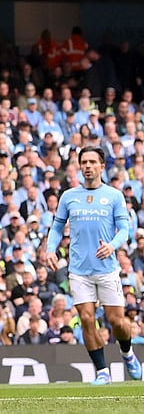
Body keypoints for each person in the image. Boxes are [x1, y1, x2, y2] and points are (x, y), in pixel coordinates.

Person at [42, 146, 141, 385]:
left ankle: (127, 353)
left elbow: (125, 229)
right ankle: (102, 371)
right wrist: (50, 249)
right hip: (79, 270)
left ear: (101, 166)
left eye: (92, 162)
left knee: (116, 322)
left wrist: (112, 245)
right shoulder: (69, 196)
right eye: (83, 162)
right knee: (86, 319)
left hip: (107, 269)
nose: (87, 166)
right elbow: (57, 227)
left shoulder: (114, 195)